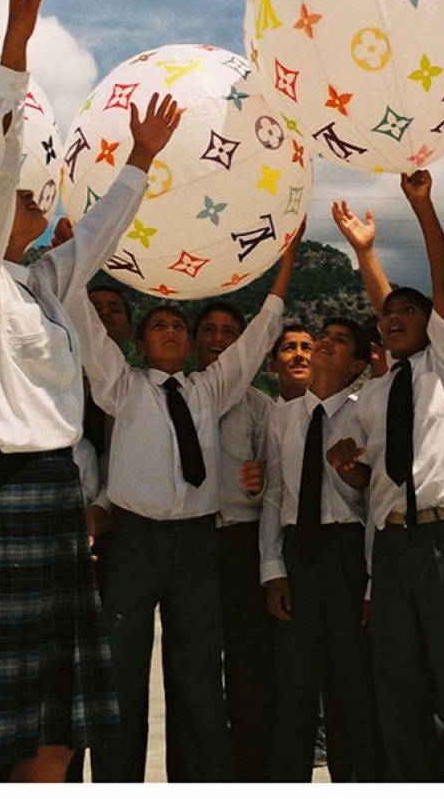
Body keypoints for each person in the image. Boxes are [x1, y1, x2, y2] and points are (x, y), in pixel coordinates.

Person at [0, 0, 181, 783]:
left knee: (56, 742)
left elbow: (95, 235)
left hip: (55, 502)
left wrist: (139, 159)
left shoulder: (43, 282)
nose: (39, 199)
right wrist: (15, 50)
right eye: (27, 198)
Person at [73, 228, 303, 782]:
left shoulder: (209, 388)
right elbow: (85, 328)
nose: (172, 330)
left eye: (179, 323)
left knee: (199, 675)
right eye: (159, 325)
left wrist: (285, 262)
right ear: (141, 344)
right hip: (133, 542)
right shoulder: (122, 387)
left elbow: (258, 335)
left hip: (197, 544)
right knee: (121, 674)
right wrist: (76, 262)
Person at [326, 171, 444, 781]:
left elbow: (442, 282)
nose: (395, 318)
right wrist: (349, 472)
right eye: (389, 313)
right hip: (394, 548)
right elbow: (365, 489)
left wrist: (422, 207)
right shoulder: (371, 397)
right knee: (396, 683)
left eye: (410, 312)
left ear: (436, 326)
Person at [261, 317, 384, 781]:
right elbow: (275, 494)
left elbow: (374, 500)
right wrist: (272, 568)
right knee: (294, 682)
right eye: (322, 338)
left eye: (338, 341)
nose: (325, 344)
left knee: (352, 684)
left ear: (357, 364)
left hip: (348, 552)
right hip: (299, 552)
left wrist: (372, 580)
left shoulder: (364, 414)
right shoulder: (283, 417)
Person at [196, 299, 278, 781]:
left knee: (250, 667)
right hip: (190, 542)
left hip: (241, 543)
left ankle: (252, 775)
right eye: (209, 329)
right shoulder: (176, 397)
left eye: (230, 330)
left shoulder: (260, 406)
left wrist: (261, 479)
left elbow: (276, 487)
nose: (219, 338)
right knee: (195, 670)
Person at [269, 324, 314, 400]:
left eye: (307, 348)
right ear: (273, 366)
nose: (299, 354)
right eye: (289, 348)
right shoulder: (262, 411)